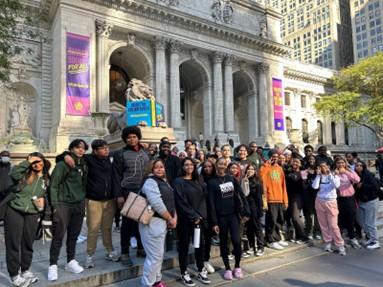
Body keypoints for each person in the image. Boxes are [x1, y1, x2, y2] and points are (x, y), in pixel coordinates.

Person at [59, 139, 119, 268]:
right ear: (95, 150)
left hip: (109, 201)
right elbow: (61, 156)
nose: (106, 150)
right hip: (93, 200)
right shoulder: (88, 159)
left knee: (107, 228)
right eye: (102, 148)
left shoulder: (111, 159)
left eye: (107, 147)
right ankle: (89, 256)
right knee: (93, 229)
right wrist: (66, 156)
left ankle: (110, 251)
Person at [4, 152, 50, 286]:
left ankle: (25, 270)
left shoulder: (46, 178)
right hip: (15, 210)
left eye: (39, 161)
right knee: (13, 243)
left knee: (28, 243)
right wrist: (27, 162)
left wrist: (43, 204)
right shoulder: (24, 174)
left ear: (43, 161)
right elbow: (13, 174)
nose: (36, 164)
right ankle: (14, 275)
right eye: (34, 162)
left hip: (33, 213)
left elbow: (47, 195)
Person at [48, 139, 88, 281]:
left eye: (83, 148)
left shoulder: (84, 164)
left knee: (74, 235)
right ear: (71, 149)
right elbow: (53, 185)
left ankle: (70, 260)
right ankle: (53, 264)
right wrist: (55, 205)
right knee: (58, 235)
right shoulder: (62, 165)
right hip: (63, 204)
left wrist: (82, 198)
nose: (80, 150)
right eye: (77, 147)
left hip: (79, 203)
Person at [208, 157, 250, 281]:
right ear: (216, 165)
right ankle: (227, 268)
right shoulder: (212, 182)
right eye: (219, 164)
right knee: (224, 243)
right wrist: (214, 222)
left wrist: (246, 212)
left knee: (237, 241)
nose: (222, 166)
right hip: (221, 217)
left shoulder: (231, 179)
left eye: (224, 164)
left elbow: (241, 195)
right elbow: (211, 203)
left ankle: (237, 266)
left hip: (233, 216)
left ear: (226, 165)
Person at [113, 126, 150, 266]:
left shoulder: (145, 151)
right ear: (125, 139)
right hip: (128, 191)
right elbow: (116, 176)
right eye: (129, 137)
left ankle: (141, 248)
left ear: (138, 137)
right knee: (127, 224)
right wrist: (119, 195)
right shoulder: (120, 154)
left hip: (145, 191)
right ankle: (124, 252)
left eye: (134, 136)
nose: (132, 139)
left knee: (142, 222)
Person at [174, 158, 211, 286]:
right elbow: (180, 201)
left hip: (198, 220)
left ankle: (201, 270)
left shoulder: (198, 180)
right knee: (184, 246)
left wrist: (200, 216)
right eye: (186, 164)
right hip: (185, 220)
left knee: (199, 245)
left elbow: (203, 200)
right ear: (182, 167)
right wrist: (193, 215)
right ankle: (184, 272)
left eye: (191, 164)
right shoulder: (179, 181)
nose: (189, 166)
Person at [140, 159, 177, 287]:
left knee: (158, 255)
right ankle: (147, 284)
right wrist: (170, 218)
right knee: (154, 257)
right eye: (156, 167)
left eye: (161, 167)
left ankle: (156, 281)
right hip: (152, 222)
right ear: (151, 169)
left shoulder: (164, 182)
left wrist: (174, 217)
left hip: (161, 222)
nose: (160, 169)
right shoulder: (150, 182)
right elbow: (157, 204)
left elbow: (171, 201)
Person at [312, 162, 346, 255]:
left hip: (331, 202)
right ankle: (328, 242)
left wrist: (330, 174)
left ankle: (340, 245)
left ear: (328, 167)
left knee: (333, 225)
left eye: (324, 166)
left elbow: (336, 185)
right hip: (319, 201)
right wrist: (318, 176)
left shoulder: (335, 175)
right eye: (321, 166)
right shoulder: (319, 176)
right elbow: (314, 186)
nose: (323, 168)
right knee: (323, 225)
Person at [260, 150, 289, 250]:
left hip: (280, 198)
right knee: (271, 220)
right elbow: (261, 177)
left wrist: (285, 200)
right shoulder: (265, 167)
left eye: (277, 156)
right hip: (270, 199)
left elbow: (283, 185)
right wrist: (267, 165)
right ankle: (270, 240)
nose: (275, 158)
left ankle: (277, 238)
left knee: (279, 220)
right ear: (269, 157)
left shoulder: (280, 168)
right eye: (273, 156)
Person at [334, 157, 361, 248]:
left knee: (350, 220)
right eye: (338, 163)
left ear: (345, 163)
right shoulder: (334, 173)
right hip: (339, 199)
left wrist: (345, 172)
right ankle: (340, 240)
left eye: (342, 162)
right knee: (340, 220)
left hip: (350, 199)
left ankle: (352, 238)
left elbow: (357, 180)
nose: (340, 165)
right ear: (336, 164)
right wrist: (335, 175)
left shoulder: (349, 171)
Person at [354, 161, 380, 250]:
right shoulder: (355, 176)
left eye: (359, 165)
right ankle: (371, 238)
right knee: (360, 220)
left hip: (371, 201)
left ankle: (375, 241)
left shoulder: (368, 175)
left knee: (370, 222)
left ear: (363, 166)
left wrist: (363, 185)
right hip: (361, 201)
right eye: (356, 166)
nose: (357, 167)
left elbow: (375, 187)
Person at [244, 164, 266, 256]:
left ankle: (261, 247)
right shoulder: (244, 181)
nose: (250, 170)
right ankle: (252, 246)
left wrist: (260, 211)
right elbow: (243, 194)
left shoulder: (257, 183)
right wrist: (244, 182)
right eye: (248, 169)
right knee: (249, 228)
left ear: (255, 171)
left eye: (252, 169)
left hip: (255, 208)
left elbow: (260, 198)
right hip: (246, 208)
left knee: (257, 228)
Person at [200, 160, 218, 272]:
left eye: (210, 166)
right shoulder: (199, 179)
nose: (207, 169)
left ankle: (206, 260)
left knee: (208, 239)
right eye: (205, 167)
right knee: (201, 239)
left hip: (213, 213)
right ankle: (200, 262)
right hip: (202, 213)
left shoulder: (216, 179)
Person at [285, 158, 308, 243]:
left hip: (298, 196)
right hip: (288, 195)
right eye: (294, 161)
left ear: (300, 164)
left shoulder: (303, 172)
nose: (295, 163)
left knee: (295, 216)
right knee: (292, 216)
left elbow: (304, 185)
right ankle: (298, 236)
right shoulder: (288, 172)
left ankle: (303, 235)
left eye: (297, 162)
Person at [301, 155, 321, 240]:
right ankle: (309, 231)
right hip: (308, 194)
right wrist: (306, 173)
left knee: (317, 215)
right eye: (309, 159)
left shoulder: (318, 170)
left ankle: (317, 232)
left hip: (317, 194)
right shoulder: (305, 170)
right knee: (309, 215)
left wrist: (318, 173)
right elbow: (303, 181)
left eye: (313, 159)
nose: (311, 160)